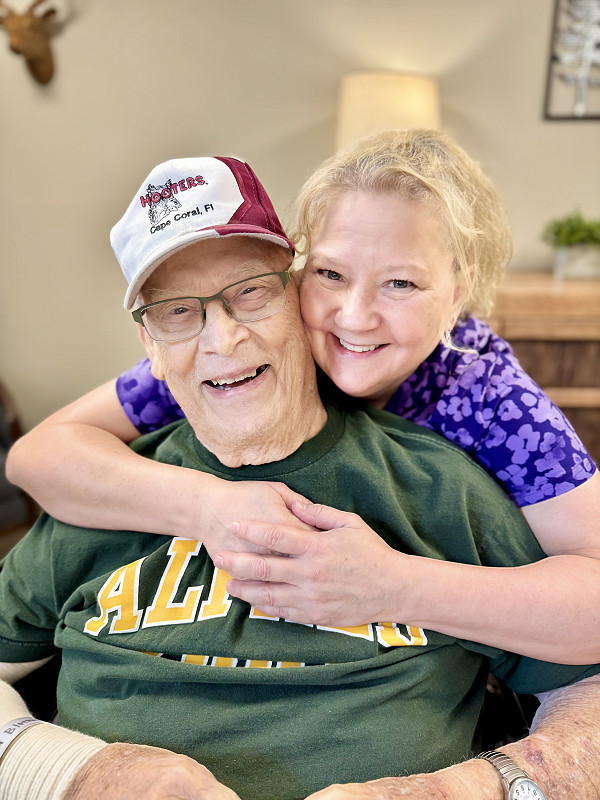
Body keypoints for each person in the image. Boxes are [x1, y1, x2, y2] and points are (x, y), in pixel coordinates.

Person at [1, 154, 599, 800]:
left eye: (250, 291)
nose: (222, 340)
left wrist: (453, 788)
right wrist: (68, 771)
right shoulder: (105, 486)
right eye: (177, 312)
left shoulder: (473, 435)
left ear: (289, 295)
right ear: (150, 344)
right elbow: (35, 455)